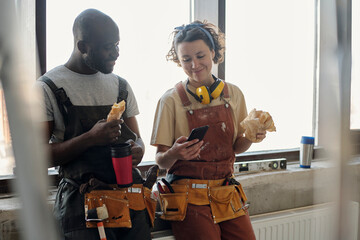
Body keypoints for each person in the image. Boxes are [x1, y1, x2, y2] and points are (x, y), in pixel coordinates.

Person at [36, 9, 154, 240]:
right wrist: (90, 138)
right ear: (83, 47)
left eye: (118, 44)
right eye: (108, 47)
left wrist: (138, 149)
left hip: (129, 202)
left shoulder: (120, 85)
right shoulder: (47, 87)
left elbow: (136, 138)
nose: (116, 53)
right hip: (82, 206)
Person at [150, 20, 266, 240]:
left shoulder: (234, 94)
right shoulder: (170, 100)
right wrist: (174, 153)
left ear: (213, 52)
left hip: (226, 192)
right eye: (186, 59)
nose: (194, 65)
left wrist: (252, 137)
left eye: (200, 56)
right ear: (178, 61)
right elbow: (160, 161)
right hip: (188, 197)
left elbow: (236, 147)